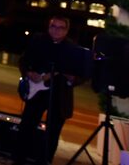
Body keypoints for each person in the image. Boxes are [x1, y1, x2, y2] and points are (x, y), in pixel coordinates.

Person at [13, 15, 82, 165]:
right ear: (48, 27)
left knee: (52, 133)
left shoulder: (72, 49)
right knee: (26, 127)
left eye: (60, 27)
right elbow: (23, 60)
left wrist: (73, 79)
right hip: (36, 92)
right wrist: (29, 73)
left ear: (66, 30)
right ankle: (19, 159)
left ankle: (44, 161)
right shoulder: (38, 41)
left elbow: (81, 73)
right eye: (53, 26)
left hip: (59, 94)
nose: (56, 30)